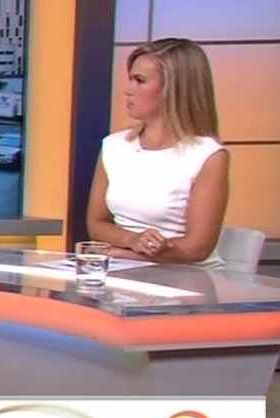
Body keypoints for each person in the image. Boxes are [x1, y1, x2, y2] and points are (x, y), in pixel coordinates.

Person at [86, 38, 228, 269]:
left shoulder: (208, 155)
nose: (128, 90)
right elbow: (96, 224)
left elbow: (198, 248)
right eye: (130, 79)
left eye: (140, 81)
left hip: (188, 276)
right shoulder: (113, 146)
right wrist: (132, 241)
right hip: (123, 268)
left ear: (173, 89)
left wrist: (124, 255)